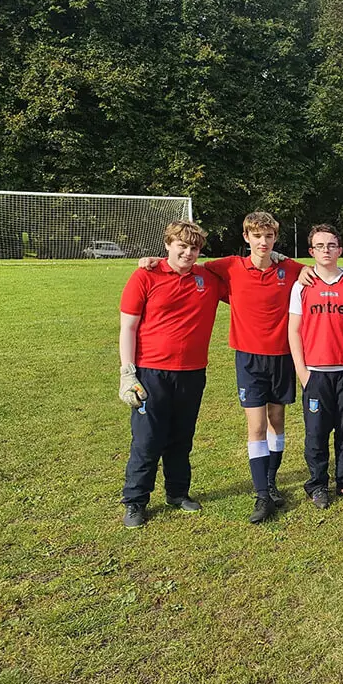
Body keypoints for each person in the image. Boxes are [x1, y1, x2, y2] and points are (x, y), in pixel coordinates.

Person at [137, 212, 304, 524]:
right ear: (246, 238)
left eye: (269, 237)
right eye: (257, 236)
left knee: (277, 421)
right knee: (255, 426)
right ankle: (261, 495)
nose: (263, 242)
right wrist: (155, 261)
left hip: (282, 356)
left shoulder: (289, 269)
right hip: (248, 358)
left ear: (275, 238)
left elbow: (319, 273)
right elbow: (185, 265)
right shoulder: (228, 266)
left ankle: (271, 481)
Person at [118, 221, 227, 528]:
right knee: (148, 440)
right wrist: (128, 372)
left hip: (192, 373)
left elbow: (248, 282)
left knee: (181, 438)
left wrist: (275, 258)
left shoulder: (207, 278)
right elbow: (128, 327)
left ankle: (177, 493)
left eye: (194, 248)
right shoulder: (145, 275)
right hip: (152, 372)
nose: (188, 253)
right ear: (168, 245)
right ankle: (135, 501)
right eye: (182, 246)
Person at [288, 224, 343, 509]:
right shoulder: (302, 285)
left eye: (331, 245)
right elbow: (293, 331)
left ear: (340, 250)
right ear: (311, 251)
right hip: (316, 373)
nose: (326, 250)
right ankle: (318, 485)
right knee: (316, 433)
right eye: (320, 246)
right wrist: (303, 373)